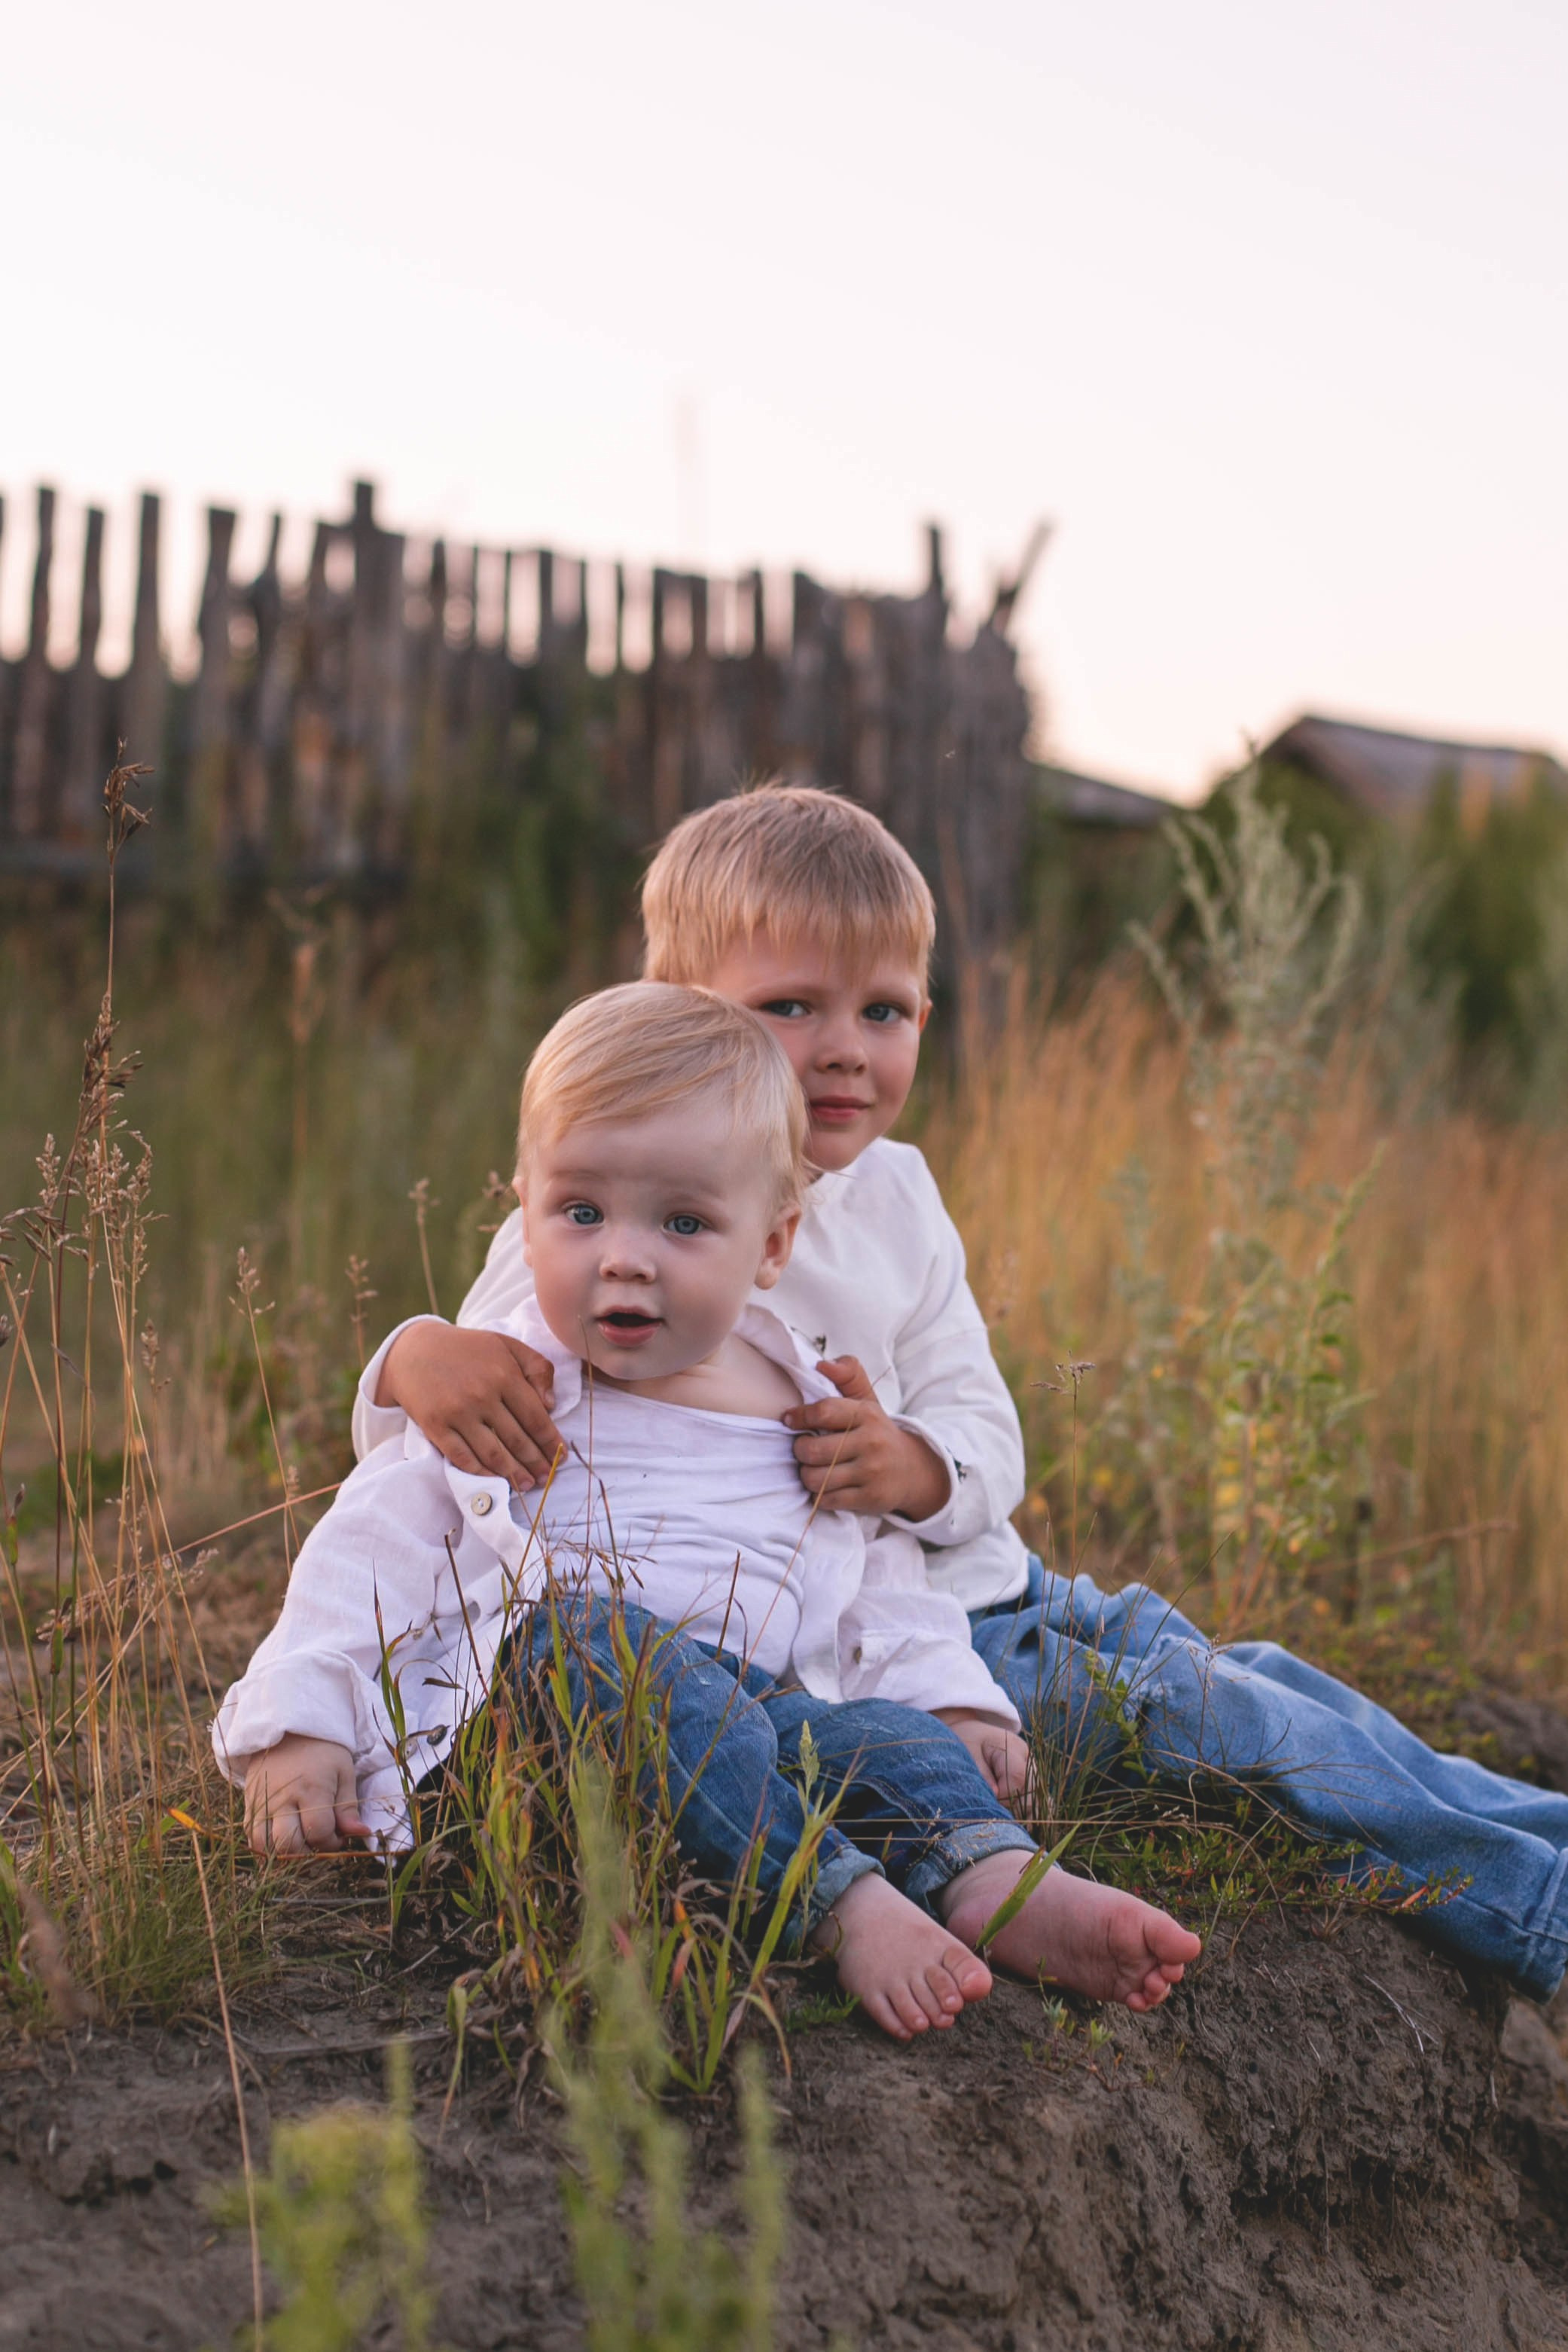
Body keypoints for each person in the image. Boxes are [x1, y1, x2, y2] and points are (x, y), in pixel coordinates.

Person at [350, 783, 1568, 2003]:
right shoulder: (608, 1208)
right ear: (678, 1014)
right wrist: (410, 1353)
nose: (842, 1048)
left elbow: (984, 1424)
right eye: (789, 1008)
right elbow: (452, 1437)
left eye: (882, 1011)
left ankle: (1541, 1828)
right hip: (889, 1643)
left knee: (1253, 1674)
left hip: (992, 1576)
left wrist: (916, 1465)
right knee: (1213, 1723)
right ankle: (1540, 1916)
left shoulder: (900, 1197)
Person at [216, 984, 1200, 2040]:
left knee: (883, 1740)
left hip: (758, 1719)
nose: (625, 1255)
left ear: (772, 1246)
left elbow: (874, 1585)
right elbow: (363, 1554)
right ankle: (835, 1901)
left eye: (684, 1222)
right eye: (581, 1212)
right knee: (587, 1645)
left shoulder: (804, 1409)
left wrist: (955, 1704)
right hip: (540, 1735)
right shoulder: (508, 1389)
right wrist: (300, 1730)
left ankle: (992, 1878)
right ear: (524, 1207)